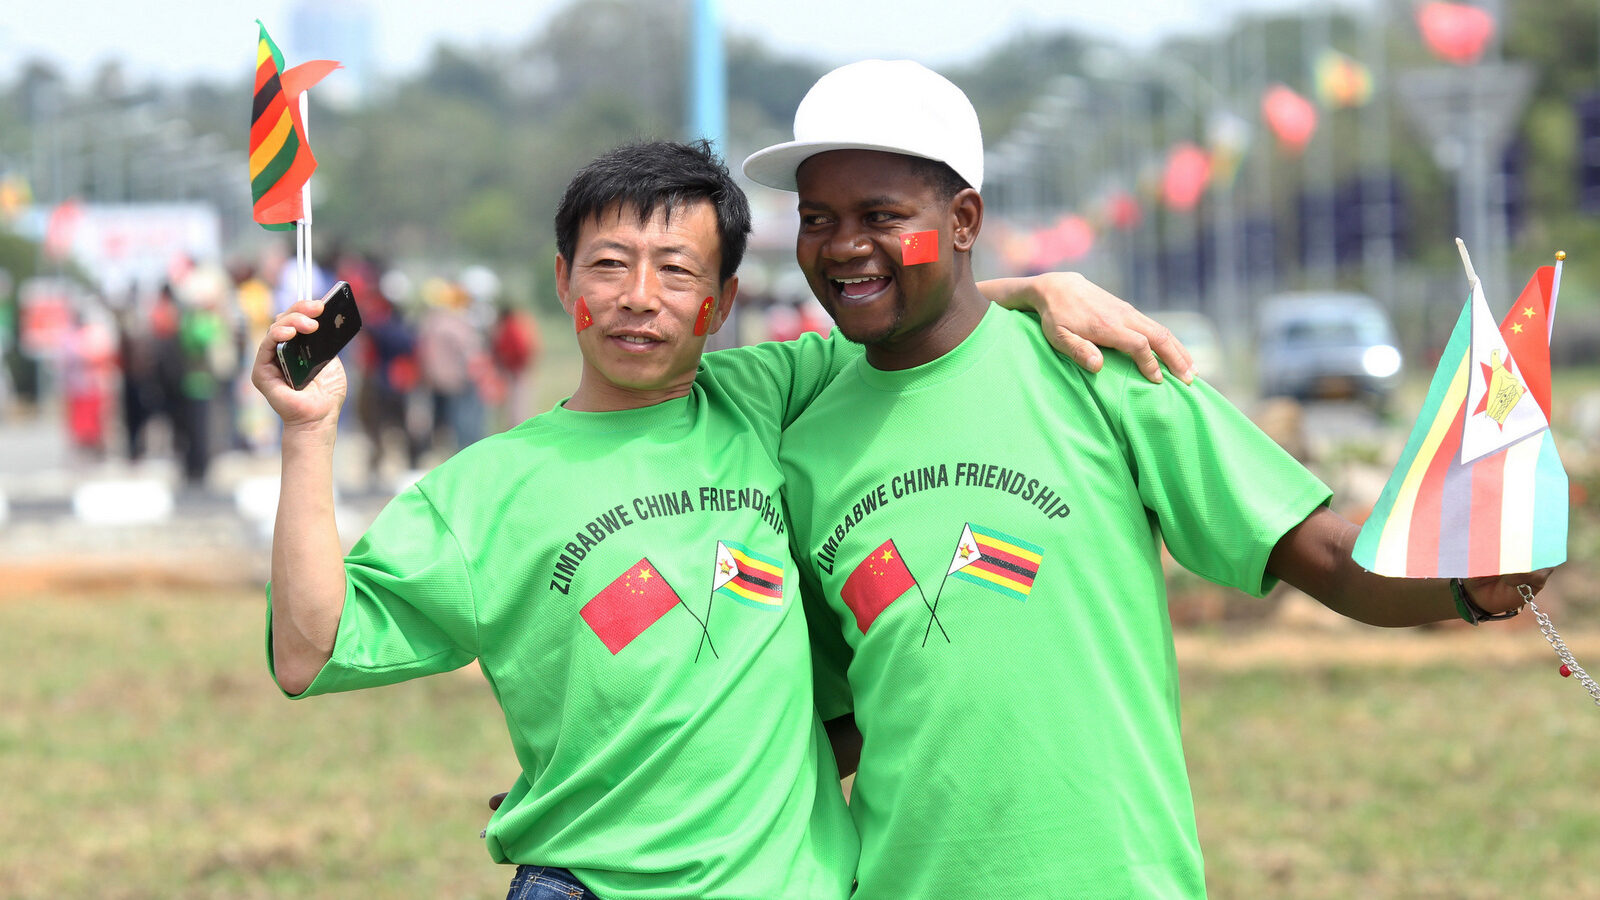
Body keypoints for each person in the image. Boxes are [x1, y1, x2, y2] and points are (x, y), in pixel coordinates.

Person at [253, 139, 1191, 899]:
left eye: (676, 270)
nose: (640, 298)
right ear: (563, 280)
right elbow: (308, 652)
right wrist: (309, 434)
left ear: (724, 302)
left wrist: (1037, 288)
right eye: (610, 266)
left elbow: (923, 314)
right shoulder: (484, 489)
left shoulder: (768, 394)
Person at [750, 59, 1553, 899]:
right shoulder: (802, 450)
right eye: (817, 218)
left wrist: (1471, 587)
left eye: (880, 215)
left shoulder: (1104, 372)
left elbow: (1320, 554)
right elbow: (833, 719)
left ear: (963, 219)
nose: (842, 244)